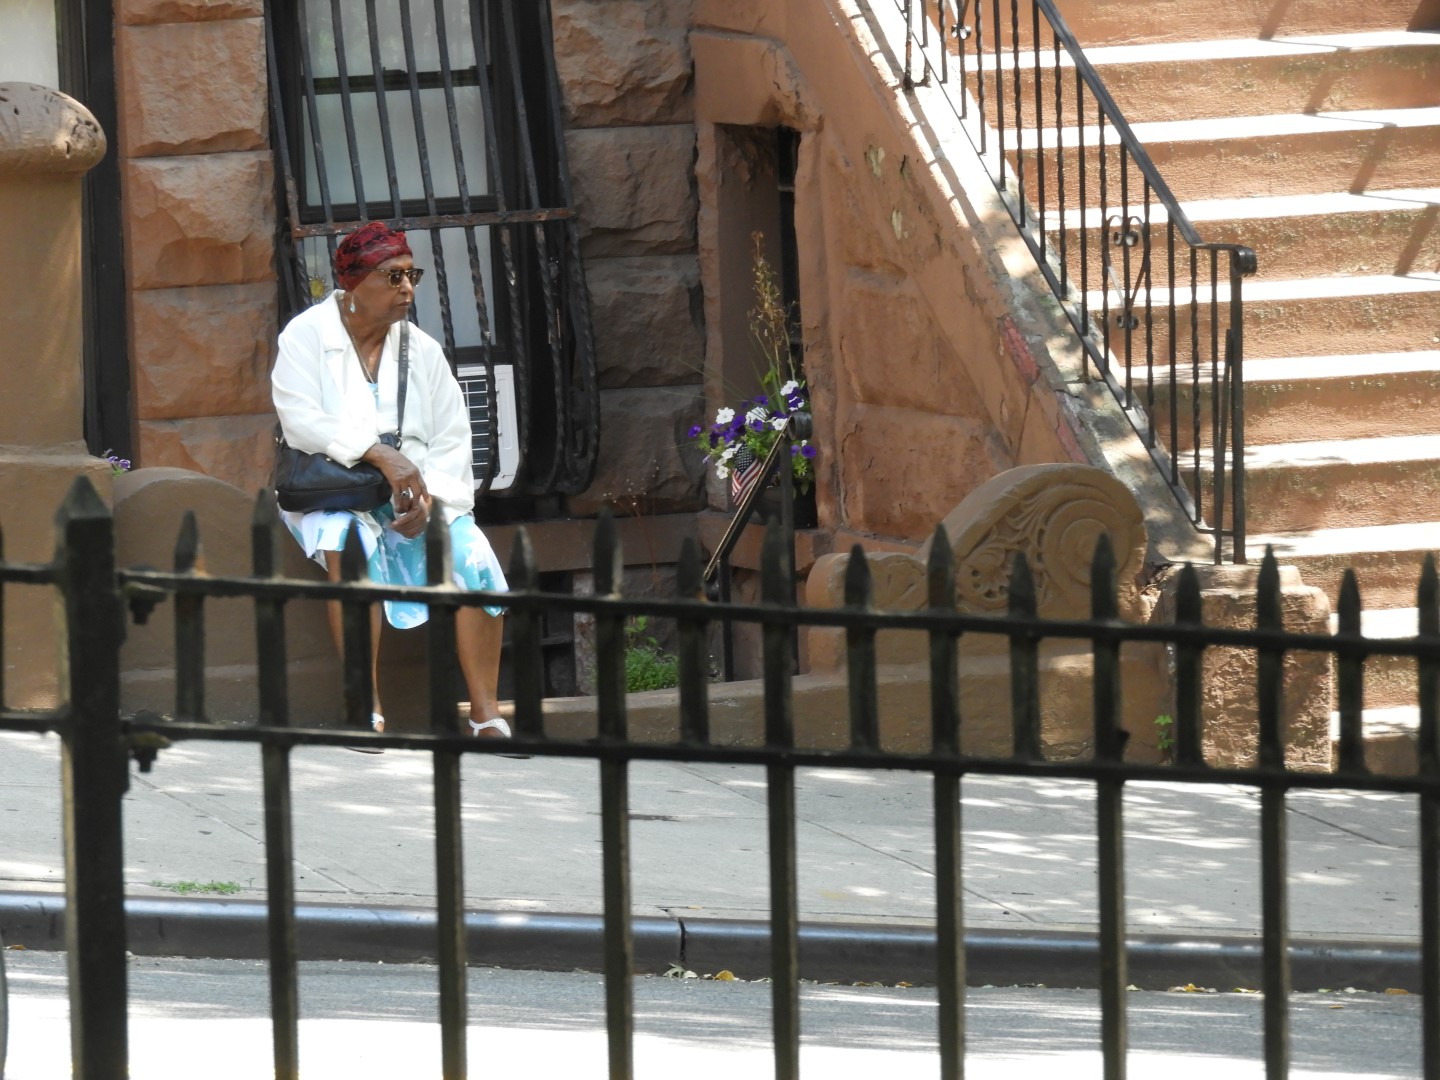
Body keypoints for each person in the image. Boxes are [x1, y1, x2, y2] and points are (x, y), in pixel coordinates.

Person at [271, 221, 511, 744]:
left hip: (412, 496)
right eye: (394, 276)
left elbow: (452, 435)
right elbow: (299, 419)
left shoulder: (421, 350)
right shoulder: (307, 335)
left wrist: (430, 498)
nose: (408, 288)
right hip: (337, 492)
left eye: (411, 275)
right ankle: (367, 705)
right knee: (348, 540)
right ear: (355, 283)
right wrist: (380, 456)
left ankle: (485, 714)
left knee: (475, 558)